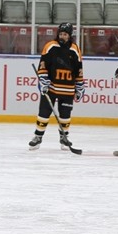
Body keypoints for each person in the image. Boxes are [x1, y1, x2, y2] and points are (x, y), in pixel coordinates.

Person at [28, 22, 85, 153]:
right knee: (43, 113)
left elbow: (79, 69)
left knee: (65, 116)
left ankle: (64, 138)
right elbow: (43, 65)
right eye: (60, 33)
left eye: (65, 34)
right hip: (51, 88)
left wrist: (80, 86)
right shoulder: (50, 46)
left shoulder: (75, 49)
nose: (62, 36)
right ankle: (38, 136)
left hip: (68, 88)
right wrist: (43, 80)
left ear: (70, 36)